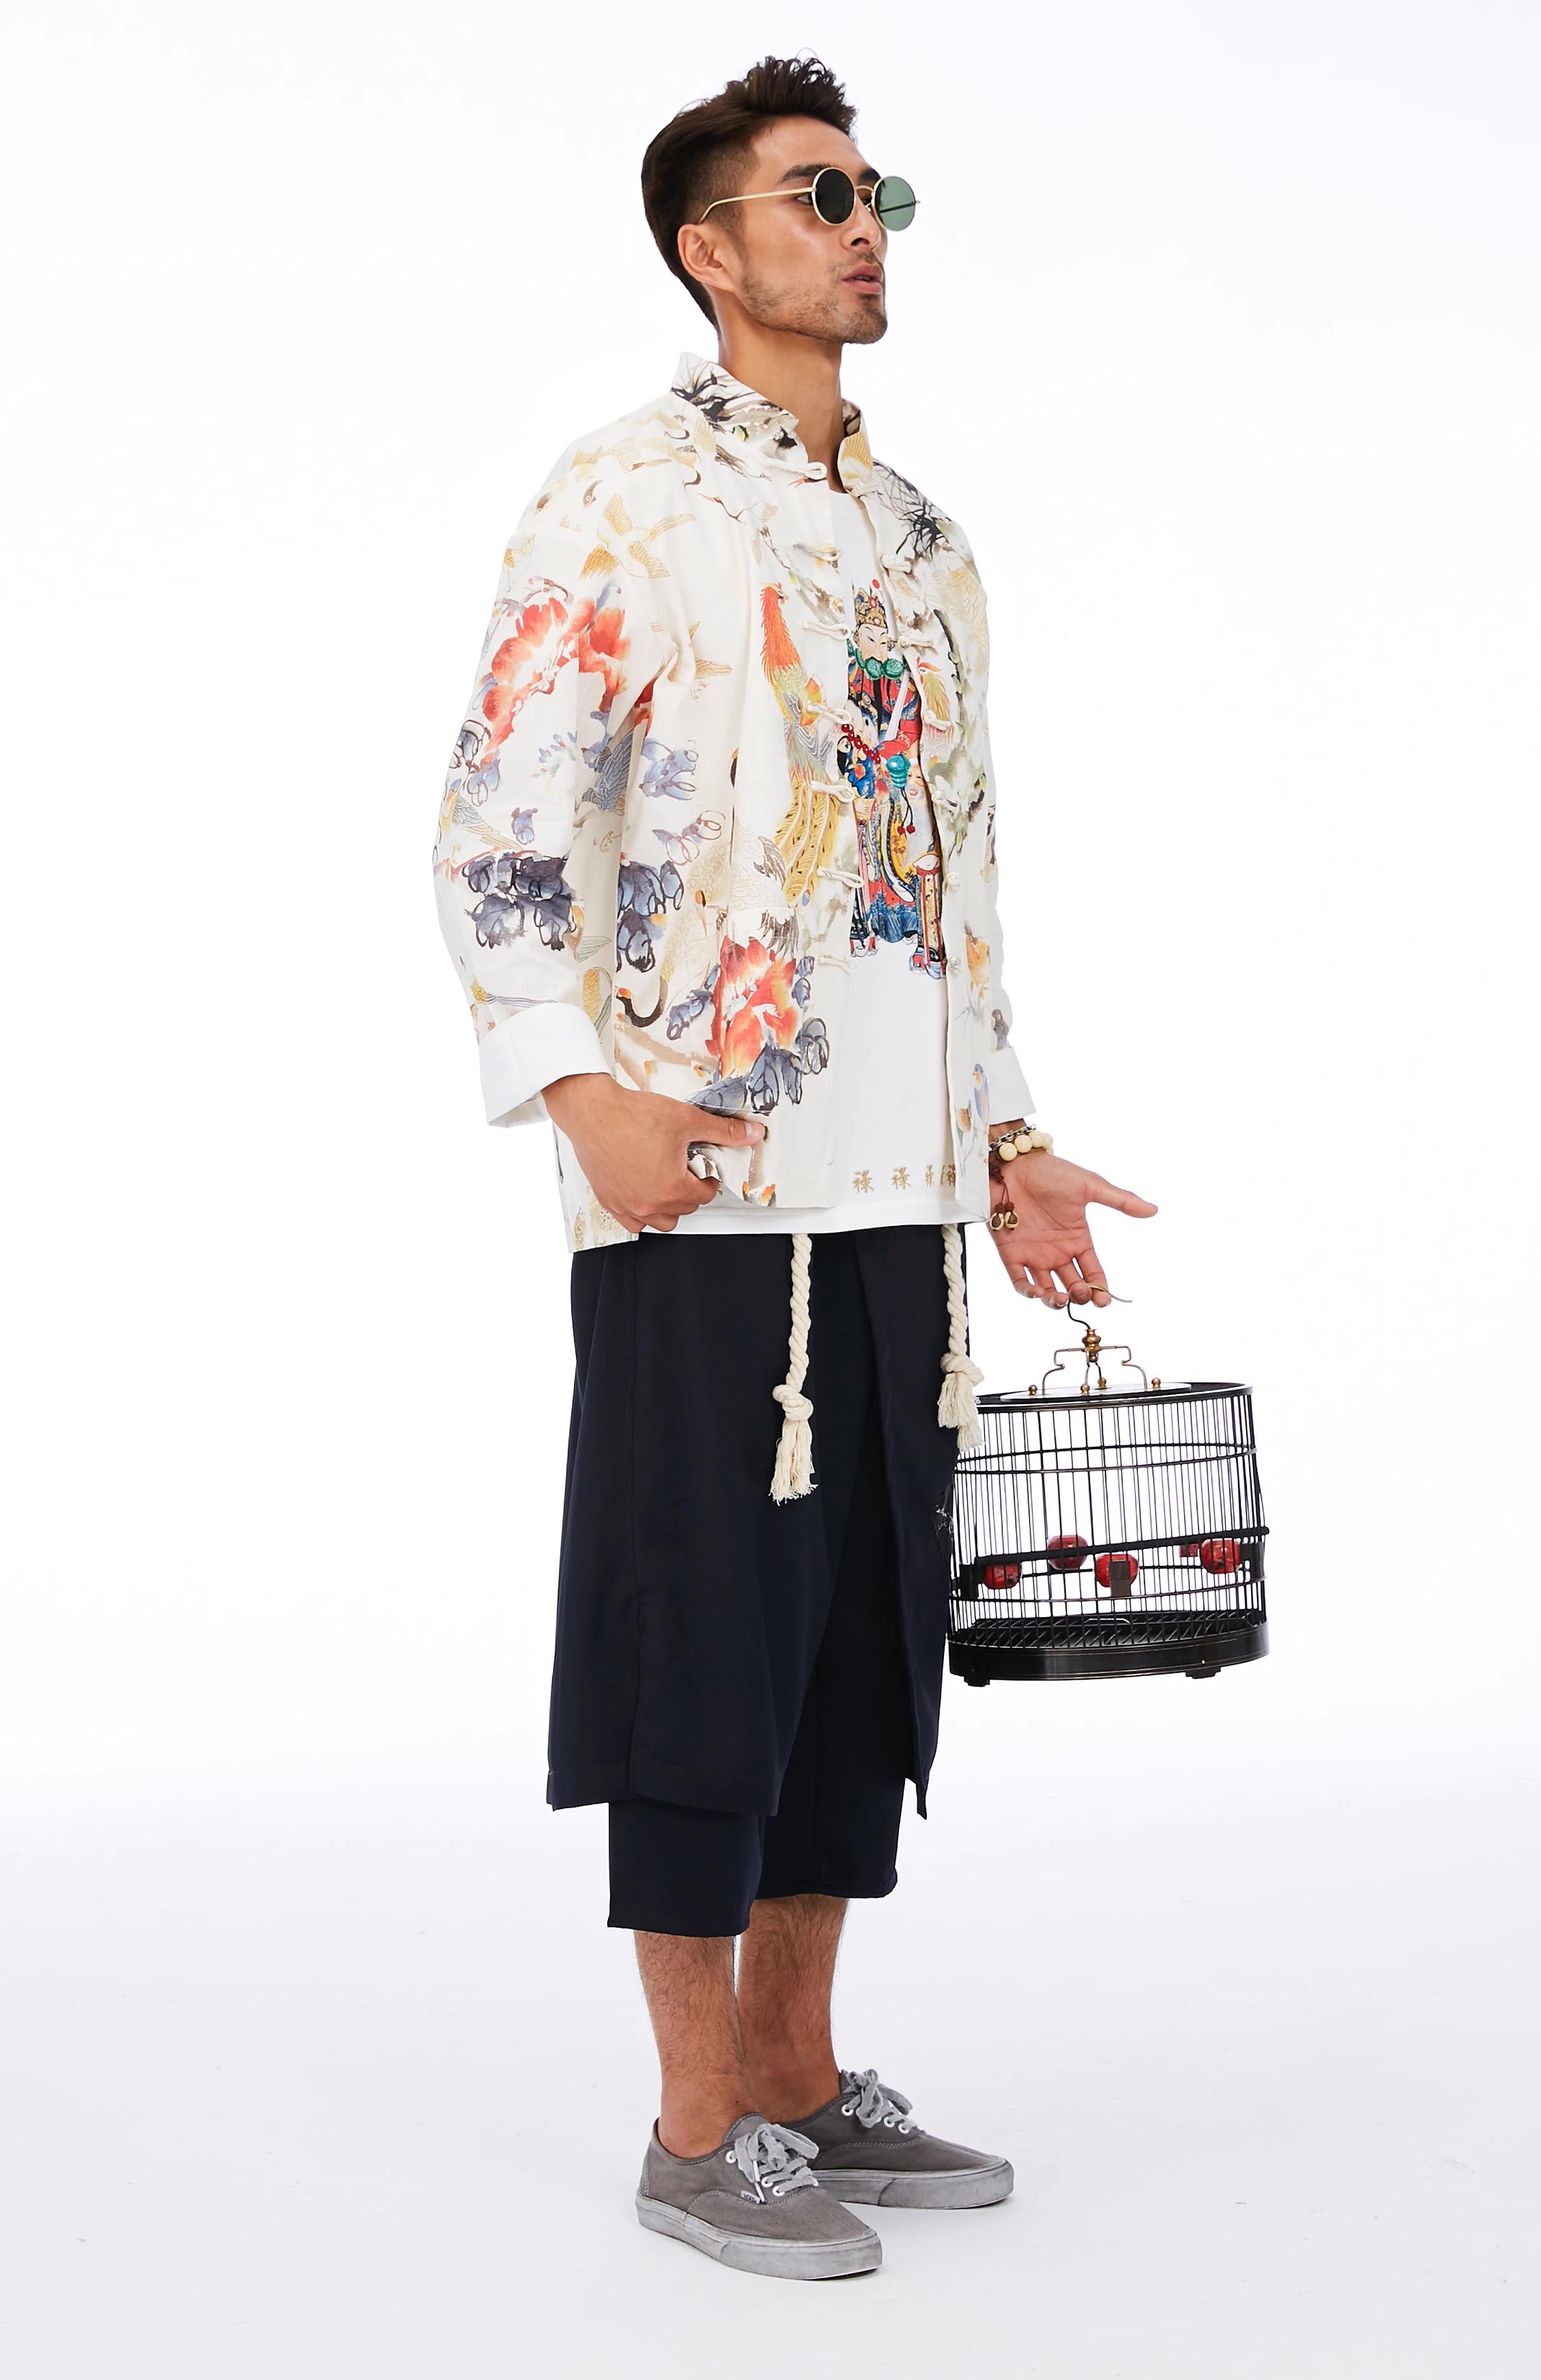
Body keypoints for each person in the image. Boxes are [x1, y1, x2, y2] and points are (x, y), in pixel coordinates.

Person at [432, 53, 1156, 2281]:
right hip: (710, 1185)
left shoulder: (924, 543)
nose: (860, 230)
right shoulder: (624, 494)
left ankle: (797, 2068)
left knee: (855, 1653)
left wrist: (1007, 1137)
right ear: (709, 246)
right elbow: (498, 818)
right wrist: (578, 1091)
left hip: (901, 1196)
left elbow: (956, 880)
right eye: (816, 195)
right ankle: (690, 2126)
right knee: (699, 1648)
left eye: (875, 197)